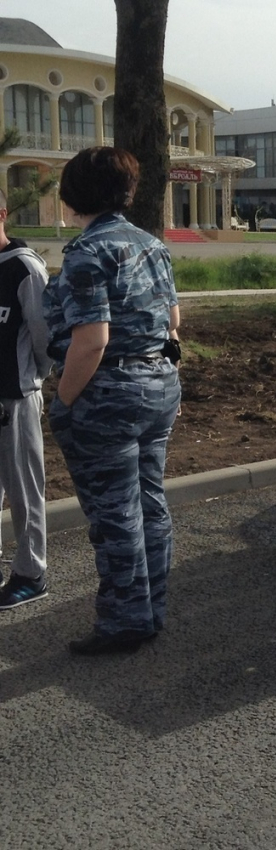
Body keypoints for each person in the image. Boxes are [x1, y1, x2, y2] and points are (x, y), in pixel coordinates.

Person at [44, 147, 182, 655]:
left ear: (74, 195)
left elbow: (92, 340)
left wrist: (63, 399)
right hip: (159, 383)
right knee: (149, 501)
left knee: (114, 512)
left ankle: (125, 621)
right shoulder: (151, 244)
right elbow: (173, 323)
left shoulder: (86, 252)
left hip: (108, 394)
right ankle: (151, 609)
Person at [0, 190, 51, 609]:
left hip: (15, 399)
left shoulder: (25, 269)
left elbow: (44, 339)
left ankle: (31, 573)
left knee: (24, 490)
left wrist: (32, 380)